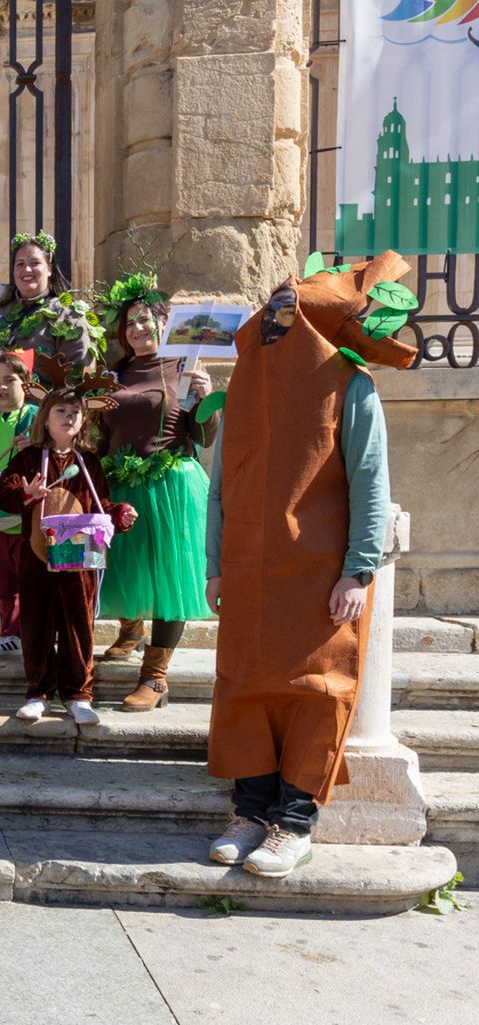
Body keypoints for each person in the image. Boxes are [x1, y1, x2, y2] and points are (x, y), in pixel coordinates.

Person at [204, 253, 413, 878]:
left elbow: (371, 482)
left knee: (317, 692)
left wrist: (359, 568)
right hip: (247, 568)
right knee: (243, 685)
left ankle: (292, 822)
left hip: (322, 572)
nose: (277, 323)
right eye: (273, 312)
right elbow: (221, 485)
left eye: (289, 313)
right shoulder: (243, 383)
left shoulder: (352, 386)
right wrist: (216, 564)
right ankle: (249, 809)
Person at [94, 274, 218, 710]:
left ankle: (156, 677)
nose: (138, 330)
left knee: (170, 577)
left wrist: (205, 398)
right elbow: (99, 430)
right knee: (125, 566)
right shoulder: (115, 371)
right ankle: (131, 630)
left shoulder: (185, 366)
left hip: (171, 483)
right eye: (130, 323)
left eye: (146, 321)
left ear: (165, 323)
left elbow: (203, 437)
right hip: (121, 481)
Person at [0, 383, 136, 727]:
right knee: (36, 623)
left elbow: (102, 505)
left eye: (74, 413)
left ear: (84, 420)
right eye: (61, 412)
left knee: (77, 624)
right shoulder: (28, 457)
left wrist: (121, 514)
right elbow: (0, 490)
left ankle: (78, 695)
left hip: (79, 558)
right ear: (46, 417)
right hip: (37, 554)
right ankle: (37, 693)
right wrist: (25, 492)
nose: (68, 418)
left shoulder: (90, 463)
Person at [0, 350, 40, 658]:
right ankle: (9, 633)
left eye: (10, 380)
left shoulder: (34, 417)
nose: (2, 388)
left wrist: (38, 444)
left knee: (29, 580)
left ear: (25, 382)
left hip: (24, 517)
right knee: (4, 582)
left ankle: (32, 634)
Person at [0, 231, 104, 387]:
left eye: (35, 263)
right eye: (20, 264)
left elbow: (79, 377)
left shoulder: (69, 317)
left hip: (41, 408)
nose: (26, 270)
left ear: (49, 269)